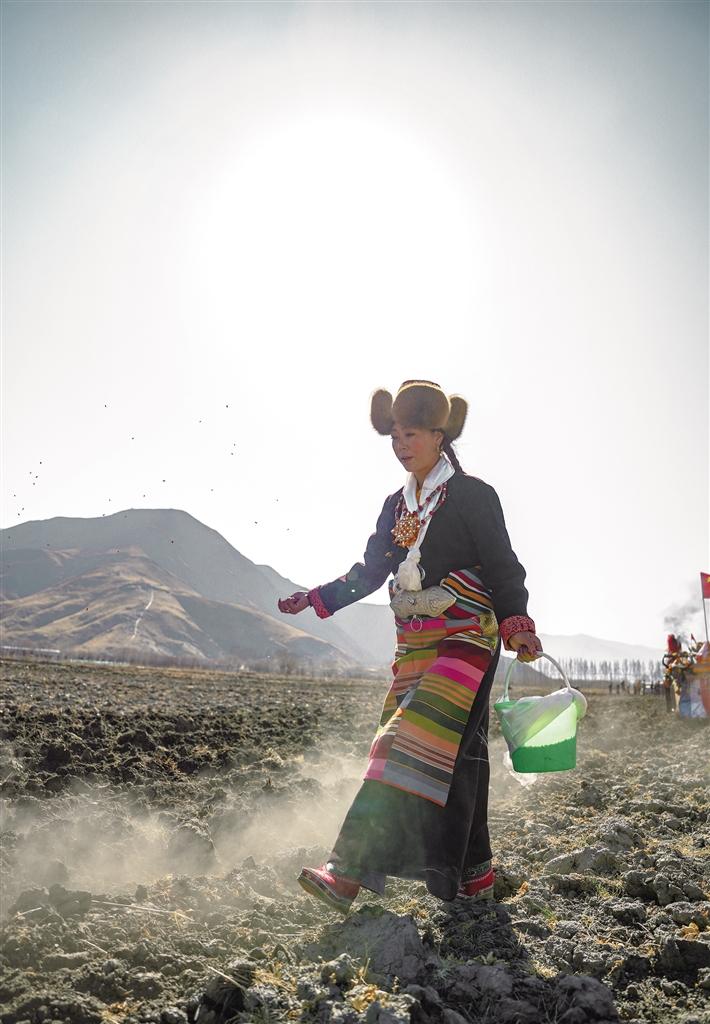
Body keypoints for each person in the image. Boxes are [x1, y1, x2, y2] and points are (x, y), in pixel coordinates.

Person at [278, 380, 543, 913]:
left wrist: (516, 622)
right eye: (395, 436)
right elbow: (372, 569)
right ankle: (474, 874)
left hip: (469, 635)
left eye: (412, 434)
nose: (401, 445)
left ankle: (347, 870)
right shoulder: (395, 505)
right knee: (462, 752)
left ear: (439, 435)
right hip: (416, 643)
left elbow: (502, 563)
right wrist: (319, 596)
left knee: (404, 741)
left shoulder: (473, 496)